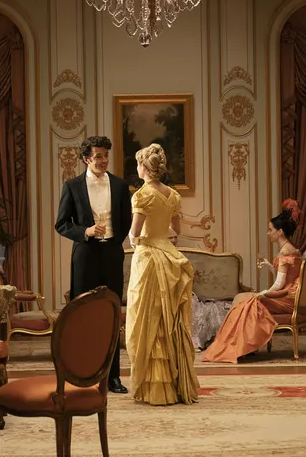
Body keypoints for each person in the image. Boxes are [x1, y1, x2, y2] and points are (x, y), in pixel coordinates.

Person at [55, 135, 132, 393]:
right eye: (98, 156)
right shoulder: (72, 186)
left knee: (111, 316)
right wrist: (86, 232)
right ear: (86, 158)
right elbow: (62, 224)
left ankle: (113, 378)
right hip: (85, 256)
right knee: (82, 315)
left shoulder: (120, 186)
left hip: (111, 255)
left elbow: (126, 222)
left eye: (105, 155)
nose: (103, 160)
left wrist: (111, 242)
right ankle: (82, 374)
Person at [125, 144, 199, 405]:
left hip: (147, 258)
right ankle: (176, 383)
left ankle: (153, 389)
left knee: (147, 319)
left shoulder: (141, 195)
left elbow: (135, 233)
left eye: (138, 164)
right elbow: (175, 232)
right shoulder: (173, 195)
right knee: (169, 320)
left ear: (144, 168)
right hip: (168, 255)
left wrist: (137, 242)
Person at [201, 201, 303, 363]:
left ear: (280, 232)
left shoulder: (284, 252)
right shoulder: (292, 249)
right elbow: (287, 277)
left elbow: (278, 285)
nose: (268, 233)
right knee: (242, 299)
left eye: (270, 230)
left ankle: (235, 346)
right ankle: (239, 345)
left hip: (285, 299)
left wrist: (262, 294)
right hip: (291, 297)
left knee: (245, 301)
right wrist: (270, 266)